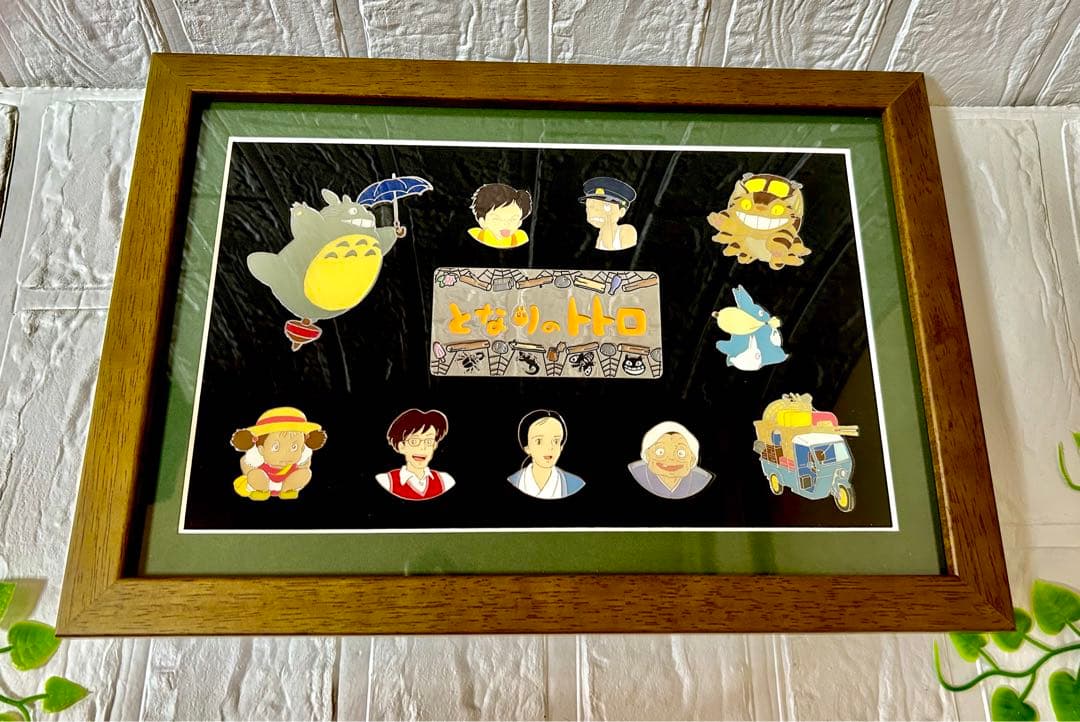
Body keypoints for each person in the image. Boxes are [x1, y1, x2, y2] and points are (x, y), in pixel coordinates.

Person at [376, 408, 456, 500]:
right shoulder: (386, 481)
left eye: (428, 441)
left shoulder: (445, 481)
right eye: (414, 441)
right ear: (402, 446)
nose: (422, 448)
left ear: (434, 446)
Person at [507, 410, 585, 499]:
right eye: (539, 441)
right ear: (527, 448)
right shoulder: (512, 481)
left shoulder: (576, 484)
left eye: (555, 441)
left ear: (561, 447)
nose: (549, 448)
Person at [628, 421, 714, 499]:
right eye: (660, 452)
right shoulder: (637, 471)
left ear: (692, 458)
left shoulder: (701, 478)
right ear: (647, 455)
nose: (671, 459)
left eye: (680, 453)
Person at [580, 177, 638, 251]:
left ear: (621, 212)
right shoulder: (594, 236)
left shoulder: (626, 232)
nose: (596, 211)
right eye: (591, 206)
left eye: (606, 206)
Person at [467, 183, 533, 248]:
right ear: (482, 222)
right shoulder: (473, 236)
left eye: (513, 219)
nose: (506, 224)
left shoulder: (521, 238)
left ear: (519, 222)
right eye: (497, 219)